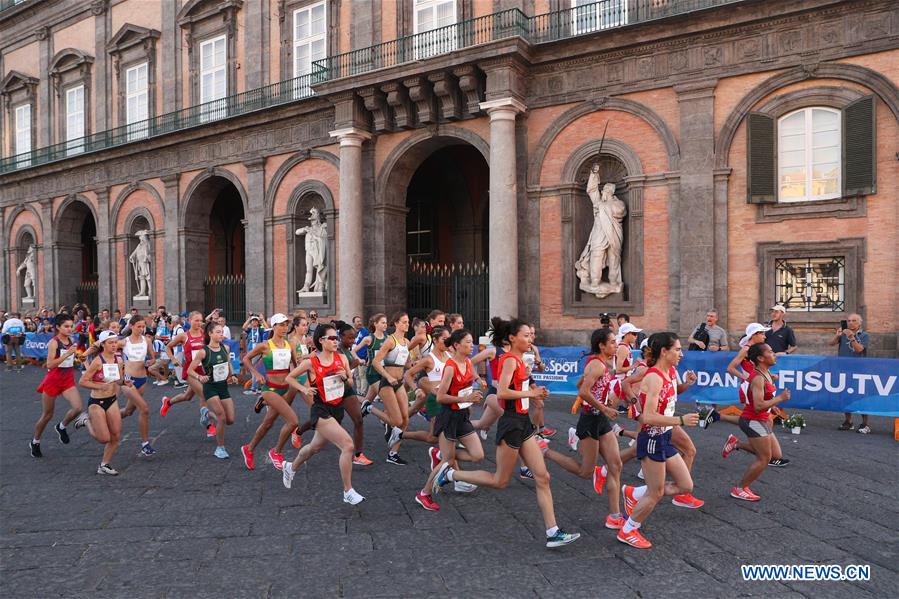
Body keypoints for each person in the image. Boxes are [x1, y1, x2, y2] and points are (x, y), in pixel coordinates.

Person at [432, 317, 580, 549]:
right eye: (526, 335)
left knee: (543, 477)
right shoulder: (509, 360)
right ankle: (451, 476)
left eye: (531, 336)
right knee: (500, 481)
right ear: (512, 338)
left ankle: (553, 532)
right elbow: (501, 392)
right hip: (511, 423)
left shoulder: (522, 361)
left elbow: (524, 386)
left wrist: (536, 390)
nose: (530, 339)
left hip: (524, 424)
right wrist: (531, 395)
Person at [619, 332, 700, 549]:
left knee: (685, 485)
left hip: (664, 436)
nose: (681, 354)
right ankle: (628, 530)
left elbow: (671, 397)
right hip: (652, 438)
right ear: (664, 351)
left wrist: (687, 385)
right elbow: (647, 416)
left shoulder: (672, 372)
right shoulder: (653, 377)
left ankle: (634, 492)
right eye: (677, 349)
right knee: (655, 493)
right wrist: (680, 420)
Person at [543, 328, 624, 530]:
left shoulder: (602, 364)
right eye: (612, 342)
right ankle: (545, 450)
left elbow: (582, 382)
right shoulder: (597, 364)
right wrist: (603, 406)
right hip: (589, 421)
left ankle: (615, 515)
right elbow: (583, 390)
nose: (616, 345)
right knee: (585, 472)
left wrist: (595, 402)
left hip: (601, 421)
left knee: (616, 465)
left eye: (616, 341)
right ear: (601, 345)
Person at [282, 324, 365, 505]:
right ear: (321, 341)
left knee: (314, 447)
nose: (336, 341)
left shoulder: (342, 358)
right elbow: (289, 377)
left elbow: (350, 382)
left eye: (337, 338)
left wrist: (345, 377)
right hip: (321, 410)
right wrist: (304, 388)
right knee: (348, 446)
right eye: (332, 338)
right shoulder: (311, 362)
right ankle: (348, 491)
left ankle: (290, 466)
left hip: (337, 409)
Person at [416, 329, 486, 511]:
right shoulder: (450, 366)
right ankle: (424, 493)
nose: (472, 346)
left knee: (478, 455)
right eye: (468, 342)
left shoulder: (469, 362)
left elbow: (468, 384)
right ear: (456, 345)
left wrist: (474, 392)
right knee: (446, 463)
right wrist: (465, 399)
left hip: (462, 416)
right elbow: (440, 397)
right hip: (448, 416)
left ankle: (440, 454)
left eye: (472, 342)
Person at [728, 343, 791, 501]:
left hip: (760, 420)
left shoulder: (766, 373)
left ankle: (735, 444)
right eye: (770, 352)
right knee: (764, 458)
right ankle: (740, 489)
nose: (774, 354)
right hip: (753, 420)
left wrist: (774, 406)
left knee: (770, 455)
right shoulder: (757, 378)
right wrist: (780, 398)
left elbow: (764, 399)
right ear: (761, 358)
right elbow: (757, 406)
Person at [240, 313, 298, 470]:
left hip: (284, 389)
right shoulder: (265, 345)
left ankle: (249, 449)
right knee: (293, 421)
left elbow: (295, 366)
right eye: (281, 325)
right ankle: (276, 452)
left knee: (267, 424)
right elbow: (246, 359)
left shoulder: (288, 345)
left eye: (286, 325)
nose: (284, 328)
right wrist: (257, 374)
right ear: (274, 326)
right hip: (270, 389)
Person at [361, 312, 412, 465]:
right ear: (396, 323)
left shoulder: (407, 342)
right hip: (386, 382)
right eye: (404, 322)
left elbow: (408, 363)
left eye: (408, 322)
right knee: (396, 420)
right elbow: (376, 362)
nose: (407, 324)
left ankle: (393, 454)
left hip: (399, 382)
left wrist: (418, 364)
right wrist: (387, 376)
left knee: (405, 420)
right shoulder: (390, 341)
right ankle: (370, 408)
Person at [76, 330, 131, 475]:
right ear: (103, 344)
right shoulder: (97, 361)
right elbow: (82, 381)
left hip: (112, 400)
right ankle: (86, 420)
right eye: (110, 343)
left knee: (116, 436)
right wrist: (99, 386)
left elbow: (118, 380)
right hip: (96, 402)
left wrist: (125, 382)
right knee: (104, 438)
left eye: (115, 342)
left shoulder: (118, 360)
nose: (114, 345)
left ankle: (104, 465)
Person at [30, 314, 82, 458]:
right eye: (66, 326)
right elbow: (50, 364)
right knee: (47, 415)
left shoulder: (72, 339)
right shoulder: (53, 343)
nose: (70, 329)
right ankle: (35, 441)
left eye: (71, 326)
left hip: (68, 380)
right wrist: (67, 355)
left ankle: (61, 426)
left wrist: (78, 357)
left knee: (78, 408)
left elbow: (72, 357)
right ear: (58, 327)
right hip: (53, 381)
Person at [161, 311, 215, 437]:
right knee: (204, 394)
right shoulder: (183, 336)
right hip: (190, 371)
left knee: (187, 396)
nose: (198, 323)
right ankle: (208, 425)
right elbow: (167, 347)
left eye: (200, 320)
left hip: (203, 370)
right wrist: (174, 359)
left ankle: (168, 402)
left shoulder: (205, 334)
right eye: (196, 320)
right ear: (189, 321)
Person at [188, 321, 236, 459]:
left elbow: (228, 363)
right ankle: (220, 448)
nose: (221, 334)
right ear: (210, 334)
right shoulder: (203, 352)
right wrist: (199, 376)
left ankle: (207, 414)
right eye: (218, 332)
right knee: (221, 416)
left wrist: (232, 375)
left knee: (230, 420)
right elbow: (190, 370)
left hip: (223, 387)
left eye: (222, 332)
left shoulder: (225, 348)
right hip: (210, 387)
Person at [118, 315, 157, 456]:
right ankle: (145, 444)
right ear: (131, 326)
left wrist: (151, 362)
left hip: (142, 379)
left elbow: (153, 357)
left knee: (128, 411)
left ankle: (101, 417)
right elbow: (104, 348)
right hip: (128, 379)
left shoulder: (147, 340)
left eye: (143, 326)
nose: (141, 329)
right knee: (144, 409)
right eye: (139, 326)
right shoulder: (124, 342)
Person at [831, 313, 871, 434]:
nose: (850, 323)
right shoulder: (843, 334)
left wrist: (852, 337)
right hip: (843, 369)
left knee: (861, 396)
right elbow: (831, 343)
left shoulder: (864, 335)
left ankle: (865, 424)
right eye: (848, 320)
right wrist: (837, 335)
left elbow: (859, 350)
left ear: (859, 323)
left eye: (854, 320)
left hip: (859, 370)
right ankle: (848, 421)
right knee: (845, 395)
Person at [242, 313, 268, 395]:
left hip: (257, 352)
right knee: (256, 369)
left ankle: (253, 389)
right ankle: (259, 388)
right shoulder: (250, 330)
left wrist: (262, 320)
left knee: (254, 369)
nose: (254, 322)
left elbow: (267, 329)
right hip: (250, 351)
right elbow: (243, 327)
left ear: (258, 322)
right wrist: (249, 318)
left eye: (255, 321)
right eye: (252, 321)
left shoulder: (260, 330)